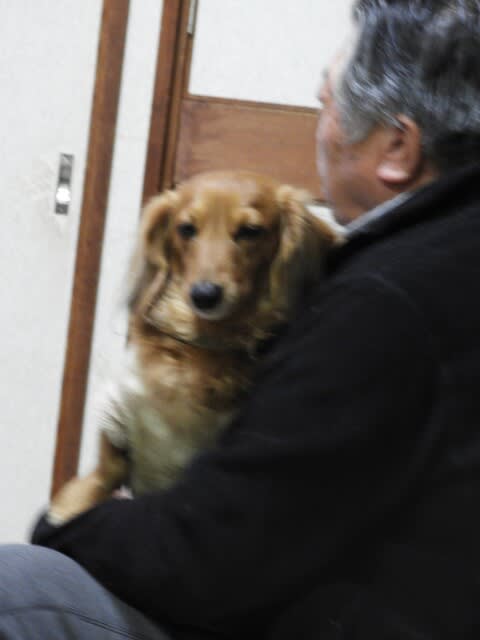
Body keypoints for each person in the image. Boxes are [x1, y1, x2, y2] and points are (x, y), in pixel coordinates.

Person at [3, 0, 480, 637]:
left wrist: (67, 527)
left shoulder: (387, 300)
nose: (320, 130)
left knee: (17, 585)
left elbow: (210, 559)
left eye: (325, 105)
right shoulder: (451, 250)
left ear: (397, 147)